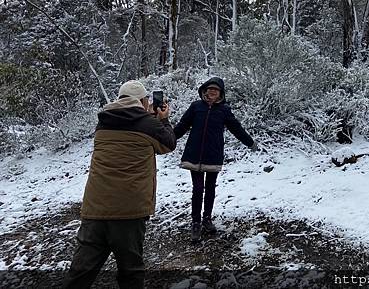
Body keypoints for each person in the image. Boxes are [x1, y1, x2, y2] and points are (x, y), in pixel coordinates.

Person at [63, 80, 176, 289]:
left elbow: (131, 127)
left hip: (95, 208)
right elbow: (168, 144)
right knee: (130, 271)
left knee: (81, 271)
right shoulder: (149, 124)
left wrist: (149, 118)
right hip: (128, 210)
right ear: (144, 101)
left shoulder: (104, 120)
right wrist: (164, 120)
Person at [175, 77, 256, 242]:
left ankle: (207, 219)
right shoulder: (196, 106)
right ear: (205, 91)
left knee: (210, 188)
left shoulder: (224, 110)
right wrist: (168, 138)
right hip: (194, 154)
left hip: (213, 154)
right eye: (210, 89)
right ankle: (196, 222)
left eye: (216, 90)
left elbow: (236, 128)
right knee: (197, 189)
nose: (212, 91)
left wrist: (250, 142)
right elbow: (183, 125)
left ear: (220, 93)